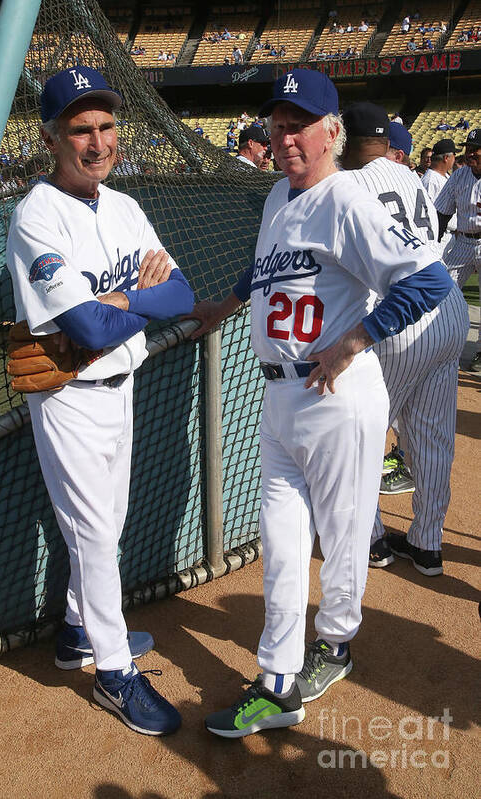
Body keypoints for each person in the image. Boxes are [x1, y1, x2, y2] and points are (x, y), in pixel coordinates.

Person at [184, 70, 453, 738]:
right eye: (277, 125)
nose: (285, 137)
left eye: (299, 123)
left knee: (343, 535)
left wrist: (357, 338)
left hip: (335, 396)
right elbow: (265, 264)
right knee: (281, 544)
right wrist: (228, 302)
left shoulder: (347, 199)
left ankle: (334, 643)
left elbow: (428, 280)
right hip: (280, 398)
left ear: (331, 131)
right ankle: (277, 683)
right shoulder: (279, 192)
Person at [5, 66, 194, 735]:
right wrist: (134, 301)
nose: (97, 140)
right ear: (53, 137)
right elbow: (83, 329)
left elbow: (184, 293)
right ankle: (114, 674)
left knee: (108, 525)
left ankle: (78, 633)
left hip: (123, 385)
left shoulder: (123, 205)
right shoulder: (36, 214)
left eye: (107, 125)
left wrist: (121, 301)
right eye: (81, 128)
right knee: (92, 534)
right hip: (69, 395)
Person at [340, 103, 469, 575]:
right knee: (433, 435)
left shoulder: (347, 183)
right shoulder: (410, 176)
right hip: (450, 312)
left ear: (346, 140)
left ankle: (372, 540)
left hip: (401, 316)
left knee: (367, 431)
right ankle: (428, 544)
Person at [435, 128, 481, 372]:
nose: (470, 153)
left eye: (476, 149)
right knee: (444, 291)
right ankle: (441, 341)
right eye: (468, 148)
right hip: (462, 241)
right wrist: (434, 240)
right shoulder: (459, 176)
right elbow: (442, 212)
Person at [421, 139, 458, 252]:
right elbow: (433, 215)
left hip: (450, 236)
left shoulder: (444, 176)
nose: (454, 159)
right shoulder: (430, 180)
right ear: (446, 158)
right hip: (440, 237)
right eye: (454, 155)